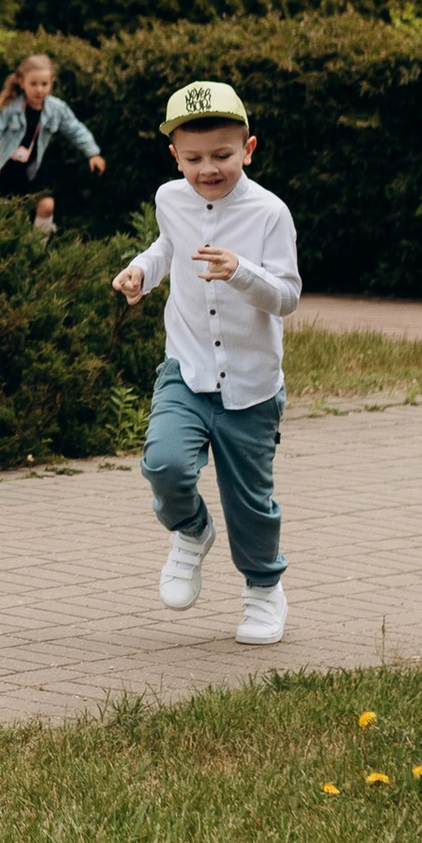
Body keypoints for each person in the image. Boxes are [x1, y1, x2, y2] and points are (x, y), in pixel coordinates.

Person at [110, 76, 301, 648]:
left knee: (249, 503)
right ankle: (191, 532)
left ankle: (264, 590)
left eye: (222, 155)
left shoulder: (270, 213)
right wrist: (142, 271)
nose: (207, 170)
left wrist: (240, 271)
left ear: (248, 148)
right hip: (186, 370)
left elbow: (287, 297)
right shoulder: (170, 198)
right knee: (164, 465)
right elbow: (167, 245)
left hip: (250, 385)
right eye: (192, 158)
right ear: (175, 156)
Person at [0, 48, 106, 238]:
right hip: (3, 169)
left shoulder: (57, 109)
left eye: (44, 84)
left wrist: (93, 153)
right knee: (2, 216)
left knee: (46, 205)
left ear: (51, 83)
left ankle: (36, 250)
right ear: (21, 82)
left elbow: (75, 129)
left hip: (30, 171)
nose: (39, 89)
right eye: (33, 84)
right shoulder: (11, 108)